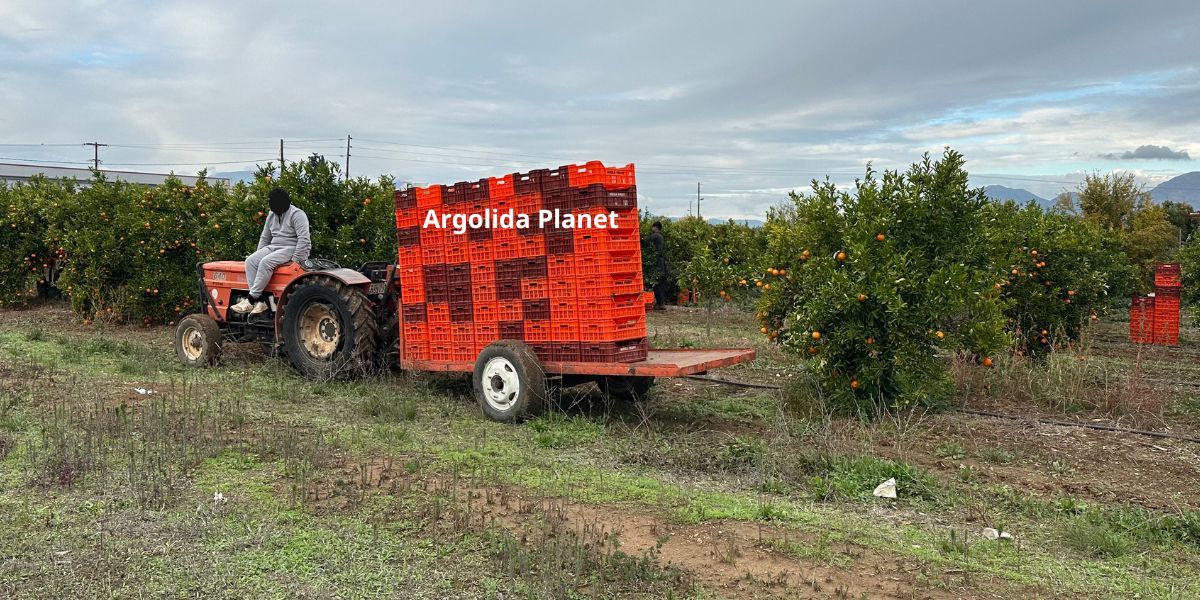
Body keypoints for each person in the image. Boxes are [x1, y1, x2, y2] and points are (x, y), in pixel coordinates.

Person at [232, 188, 310, 314]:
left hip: (291, 247)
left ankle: (251, 299)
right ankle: (261, 302)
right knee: (250, 261)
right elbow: (265, 237)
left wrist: (295, 261)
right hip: (275, 246)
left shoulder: (297, 214)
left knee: (266, 262)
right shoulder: (271, 214)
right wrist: (258, 254)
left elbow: (304, 239)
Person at [646, 221, 668, 310]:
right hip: (662, 262)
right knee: (661, 283)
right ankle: (661, 303)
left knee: (656, 283)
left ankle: (660, 303)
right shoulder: (661, 237)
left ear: (655, 227)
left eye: (653, 227)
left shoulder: (655, 236)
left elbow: (646, 242)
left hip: (657, 262)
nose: (652, 229)